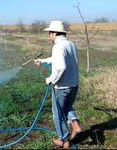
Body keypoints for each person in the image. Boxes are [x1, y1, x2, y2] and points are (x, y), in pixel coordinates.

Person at [34, 20, 82, 148]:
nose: (49, 36)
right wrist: (42, 61)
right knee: (67, 107)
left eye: (49, 33)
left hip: (62, 87)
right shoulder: (71, 44)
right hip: (74, 84)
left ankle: (64, 141)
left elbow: (60, 67)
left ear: (55, 33)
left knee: (57, 114)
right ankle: (75, 124)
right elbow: (57, 60)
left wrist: (51, 79)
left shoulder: (57, 47)